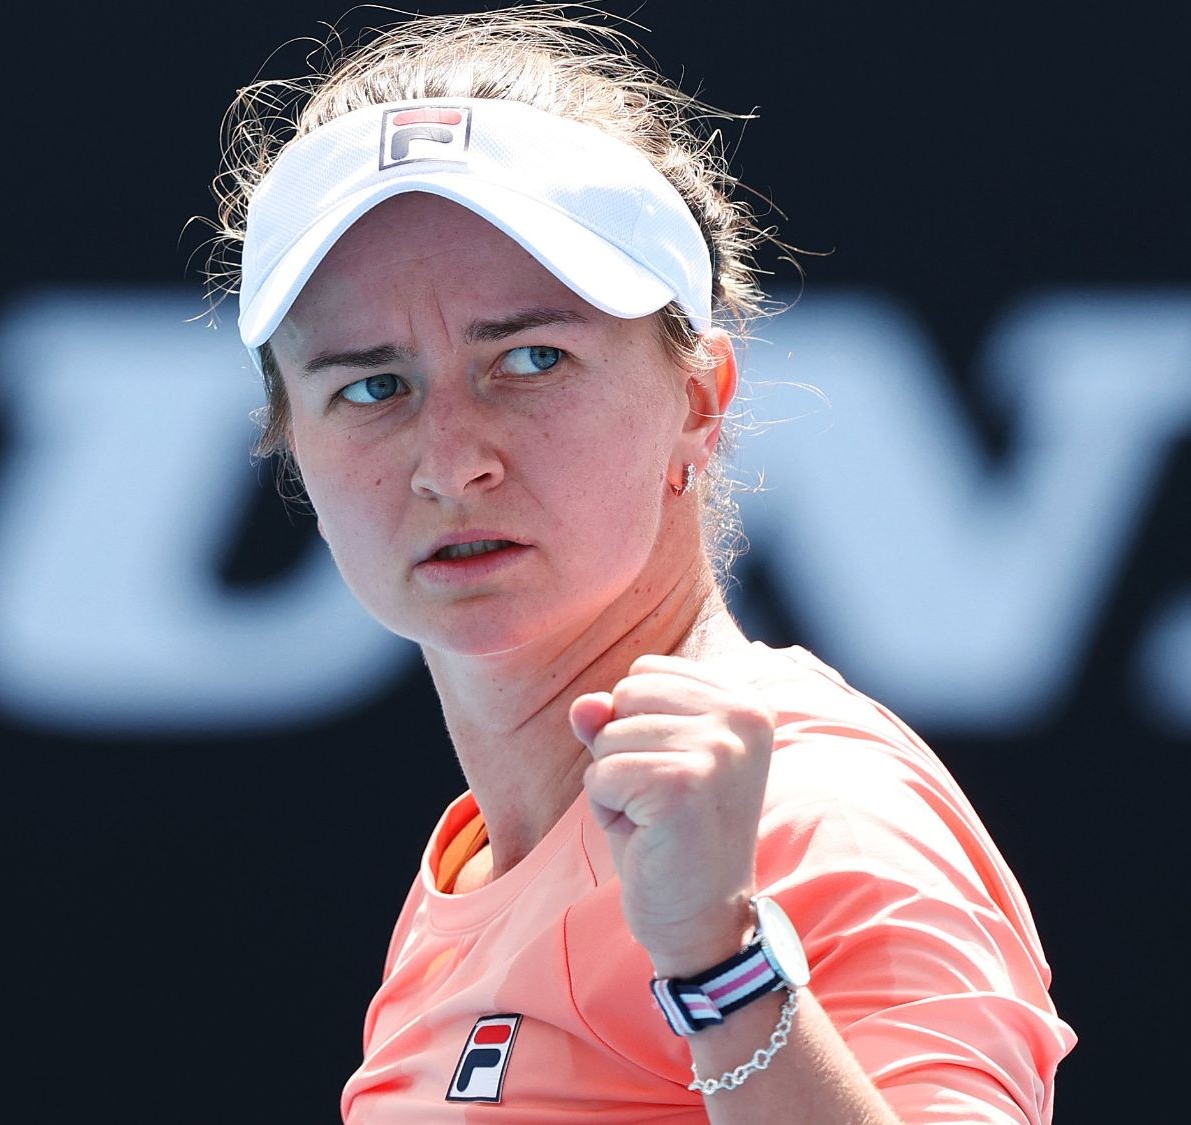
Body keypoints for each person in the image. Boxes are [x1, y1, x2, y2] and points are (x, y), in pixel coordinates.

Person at [211, 8, 1076, 1122]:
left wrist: (723, 964)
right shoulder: (484, 870)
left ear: (700, 399)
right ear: (293, 442)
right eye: (372, 387)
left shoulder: (814, 813)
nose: (452, 461)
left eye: (532, 358)